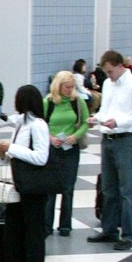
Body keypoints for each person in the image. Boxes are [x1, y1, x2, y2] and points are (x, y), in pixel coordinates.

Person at [87, 51, 132, 251]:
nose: (108, 76)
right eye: (106, 72)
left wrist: (119, 122)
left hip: (126, 140)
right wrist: (96, 118)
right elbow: (106, 110)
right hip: (108, 139)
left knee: (127, 190)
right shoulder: (108, 84)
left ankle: (129, 235)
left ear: (120, 66)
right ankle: (109, 229)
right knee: (108, 188)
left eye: (110, 71)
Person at [0, 85, 52, 262]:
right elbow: (14, 155)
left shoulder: (38, 125)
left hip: (34, 189)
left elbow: (40, 157)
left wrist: (11, 148)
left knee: (33, 236)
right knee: (14, 231)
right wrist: (3, 153)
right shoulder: (21, 123)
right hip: (19, 185)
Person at [44, 71, 88, 237]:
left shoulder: (77, 102)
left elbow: (85, 122)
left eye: (72, 87)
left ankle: (65, 225)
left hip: (70, 149)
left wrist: (75, 136)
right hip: (53, 148)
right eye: (67, 87)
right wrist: (50, 138)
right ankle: (46, 225)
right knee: (50, 188)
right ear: (59, 86)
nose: (70, 90)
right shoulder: (48, 102)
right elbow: (40, 123)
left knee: (68, 187)